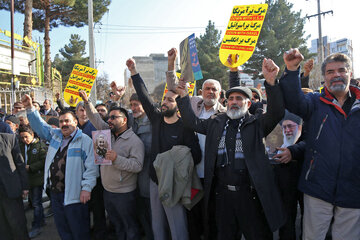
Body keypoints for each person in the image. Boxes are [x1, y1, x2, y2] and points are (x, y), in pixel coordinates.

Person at [175, 58, 286, 240]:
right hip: (222, 197)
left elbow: (277, 112)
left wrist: (271, 82)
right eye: (231, 99)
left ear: (248, 104)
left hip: (250, 197)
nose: (234, 102)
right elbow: (191, 121)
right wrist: (183, 97)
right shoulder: (216, 122)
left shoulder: (256, 123)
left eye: (239, 99)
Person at [280, 48, 360, 240]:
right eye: (330, 72)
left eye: (341, 70)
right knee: (313, 236)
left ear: (350, 73)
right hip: (317, 188)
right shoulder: (315, 102)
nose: (337, 75)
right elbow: (294, 101)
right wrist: (291, 69)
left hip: (354, 188)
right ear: (324, 77)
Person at [127, 58, 201, 240]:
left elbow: (196, 156)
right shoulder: (157, 119)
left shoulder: (186, 127)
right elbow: (144, 96)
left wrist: (175, 160)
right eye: (164, 99)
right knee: (157, 224)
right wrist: (134, 71)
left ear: (178, 105)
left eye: (170, 100)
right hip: (155, 181)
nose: (165, 102)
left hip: (174, 183)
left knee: (177, 224)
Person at [166, 47, 226, 239]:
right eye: (207, 88)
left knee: (213, 217)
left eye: (214, 89)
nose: (210, 92)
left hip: (214, 175)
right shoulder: (193, 105)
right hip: (192, 173)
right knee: (193, 215)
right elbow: (174, 87)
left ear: (220, 93)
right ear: (200, 91)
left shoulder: (226, 114)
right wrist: (172, 62)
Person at [22, 94, 98, 240]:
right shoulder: (55, 136)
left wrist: (87, 188)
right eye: (62, 121)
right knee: (63, 230)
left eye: (68, 121)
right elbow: (40, 126)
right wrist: (30, 109)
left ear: (75, 122)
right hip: (56, 194)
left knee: (79, 231)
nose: (64, 124)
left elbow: (92, 168)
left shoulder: (85, 141)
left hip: (76, 196)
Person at [80, 90, 145, 240]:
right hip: (108, 192)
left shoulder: (134, 141)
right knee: (117, 226)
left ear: (124, 120)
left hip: (125, 194)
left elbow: (137, 166)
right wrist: (86, 101)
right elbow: (95, 118)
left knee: (130, 227)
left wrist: (117, 159)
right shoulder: (106, 134)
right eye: (109, 117)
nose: (109, 120)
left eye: (114, 117)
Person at [271, 111, 303, 240]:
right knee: (287, 214)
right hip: (283, 176)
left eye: (291, 126)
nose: (287, 130)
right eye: (284, 127)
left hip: (304, 174)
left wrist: (294, 151)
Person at [19, 125, 48, 238]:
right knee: (35, 202)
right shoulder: (21, 146)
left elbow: (44, 160)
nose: (24, 140)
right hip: (28, 180)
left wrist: (30, 167)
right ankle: (42, 219)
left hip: (37, 179)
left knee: (36, 203)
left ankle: (37, 226)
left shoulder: (40, 146)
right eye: (22, 138)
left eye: (26, 137)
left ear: (32, 135)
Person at [0, 131, 29, 240]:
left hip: (11, 190)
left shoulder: (9, 139)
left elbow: (20, 164)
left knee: (17, 224)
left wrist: (25, 186)